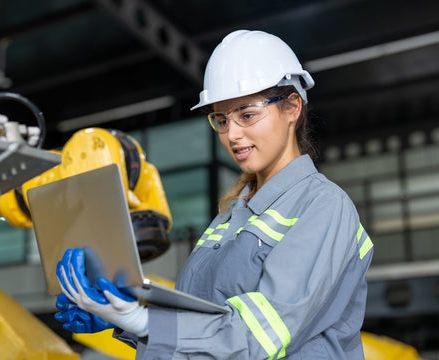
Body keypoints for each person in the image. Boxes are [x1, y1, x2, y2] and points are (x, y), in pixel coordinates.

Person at [54, 29, 374, 359]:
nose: (232, 135)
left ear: (292, 106)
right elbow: (203, 328)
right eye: (221, 120)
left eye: (247, 115)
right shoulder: (230, 215)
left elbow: (261, 334)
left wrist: (145, 321)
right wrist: (122, 318)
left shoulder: (323, 205)